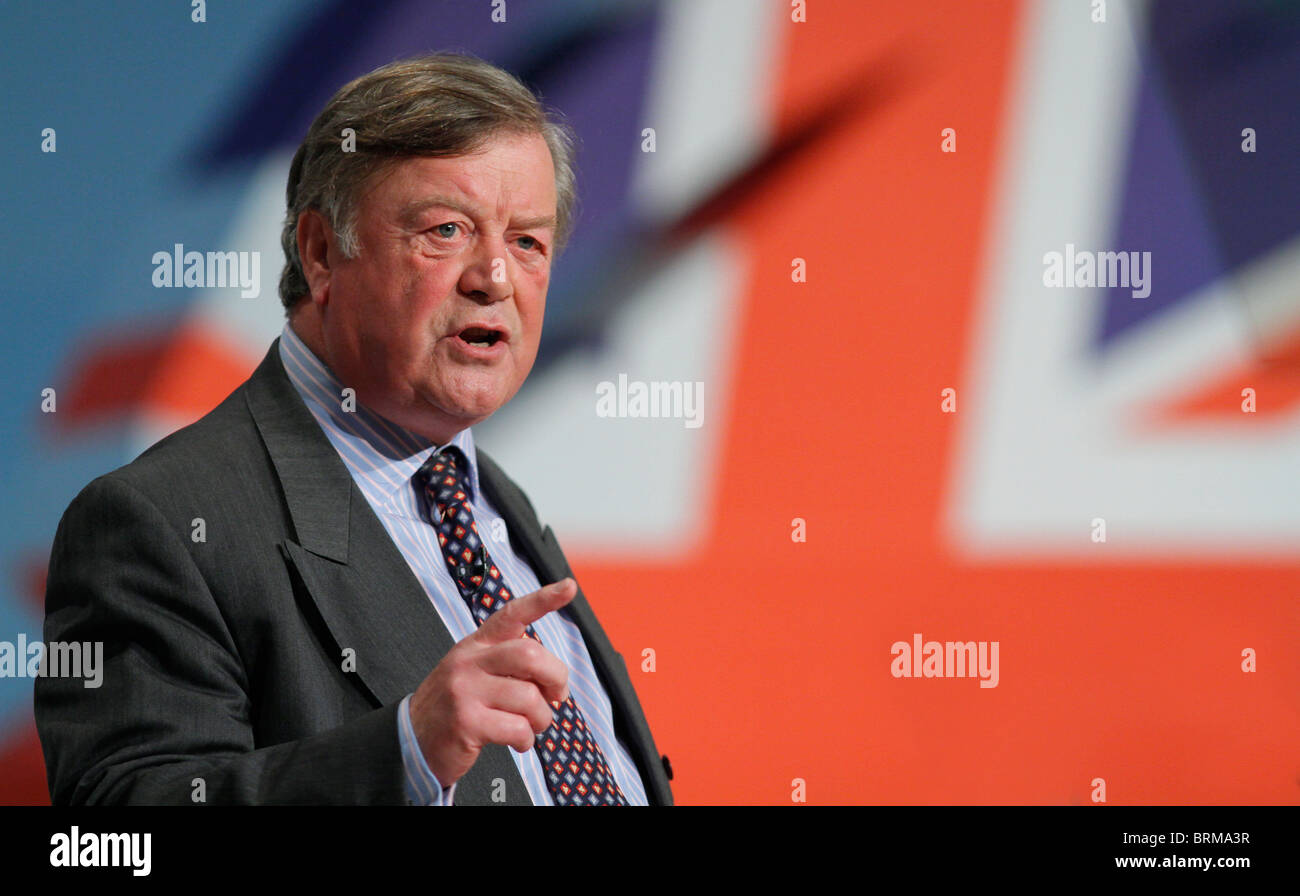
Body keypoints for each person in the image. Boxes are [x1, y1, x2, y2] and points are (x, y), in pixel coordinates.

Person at [35, 53, 673, 806]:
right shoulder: (164, 522)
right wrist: (403, 752)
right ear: (321, 252)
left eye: (527, 242)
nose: (495, 278)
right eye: (447, 230)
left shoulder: (494, 507)